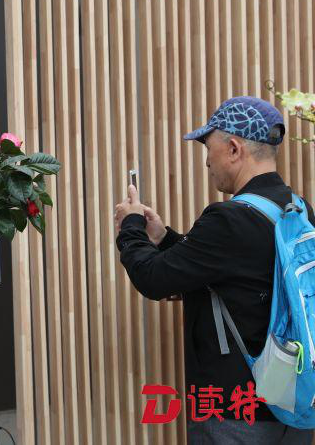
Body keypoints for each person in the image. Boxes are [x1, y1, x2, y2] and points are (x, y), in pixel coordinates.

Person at [115, 96, 315, 444]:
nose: (207, 160)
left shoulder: (228, 219)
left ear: (234, 149)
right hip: (290, 400)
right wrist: (163, 238)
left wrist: (130, 227)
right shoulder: (298, 209)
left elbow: (153, 279)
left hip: (236, 416)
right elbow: (232, 270)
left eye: (209, 148)